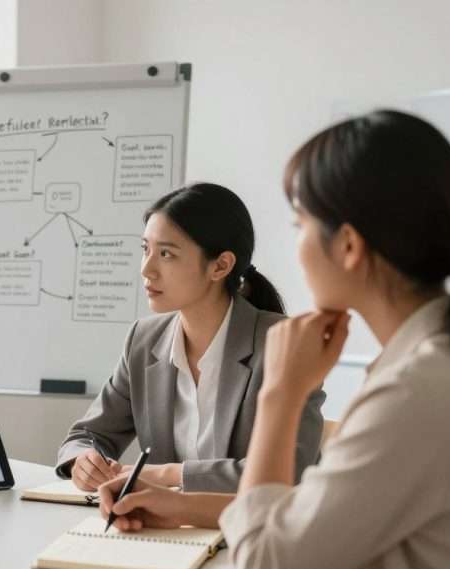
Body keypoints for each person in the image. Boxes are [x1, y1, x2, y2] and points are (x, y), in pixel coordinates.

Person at [98, 110, 450, 569]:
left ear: (349, 247)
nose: (294, 246)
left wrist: (281, 393)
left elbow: (268, 568)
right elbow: (320, 515)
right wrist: (183, 506)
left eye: (299, 224)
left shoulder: (416, 393)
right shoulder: (437, 363)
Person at [57, 183, 326, 493]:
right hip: (165, 532)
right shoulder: (143, 340)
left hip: (254, 533)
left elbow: (289, 470)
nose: (147, 269)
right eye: (146, 249)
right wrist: (84, 461)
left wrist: (167, 475)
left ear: (220, 265)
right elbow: (86, 437)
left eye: (166, 254)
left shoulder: (286, 343)